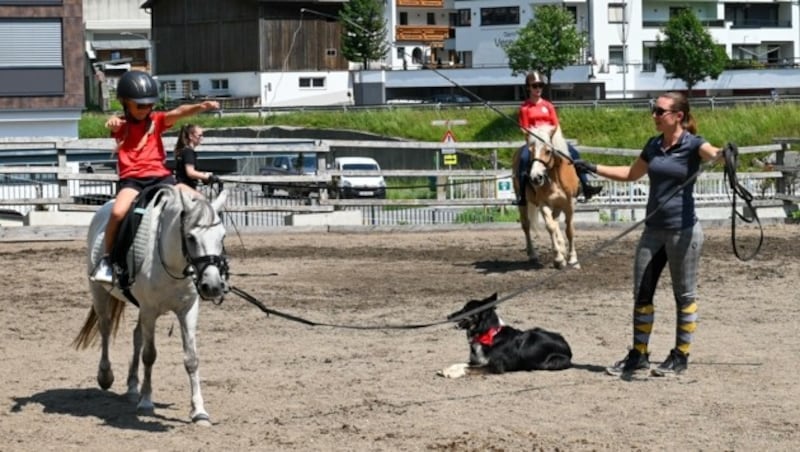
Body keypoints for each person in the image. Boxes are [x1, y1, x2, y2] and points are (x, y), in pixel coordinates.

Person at [573, 91, 727, 378]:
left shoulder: (693, 144)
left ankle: (680, 356)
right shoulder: (654, 145)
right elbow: (632, 173)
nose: (654, 116)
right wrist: (593, 167)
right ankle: (639, 354)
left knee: (684, 294)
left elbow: (715, 155)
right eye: (654, 110)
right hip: (653, 231)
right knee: (642, 293)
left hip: (683, 232)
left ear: (677, 116)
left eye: (659, 111)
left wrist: (725, 155)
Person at [90, 70, 220, 284]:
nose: (145, 109)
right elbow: (113, 124)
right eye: (139, 105)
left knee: (201, 201)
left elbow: (178, 112)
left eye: (149, 105)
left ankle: (209, 254)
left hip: (161, 178)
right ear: (125, 103)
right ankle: (107, 260)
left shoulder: (157, 121)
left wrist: (199, 107)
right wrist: (112, 121)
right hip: (133, 181)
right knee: (117, 212)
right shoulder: (122, 125)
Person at [515, 71, 602, 205]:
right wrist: (536, 137)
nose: (538, 89)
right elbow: (524, 128)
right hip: (534, 143)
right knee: (523, 158)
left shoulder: (548, 106)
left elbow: (555, 124)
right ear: (528, 87)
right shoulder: (525, 108)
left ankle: (586, 186)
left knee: (574, 153)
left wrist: (548, 136)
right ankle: (522, 196)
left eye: (540, 86)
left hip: (550, 140)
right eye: (534, 86)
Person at [174, 124, 219, 191]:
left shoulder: (184, 151)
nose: (202, 138)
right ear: (191, 136)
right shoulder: (188, 152)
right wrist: (207, 176)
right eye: (199, 135)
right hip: (186, 190)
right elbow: (190, 172)